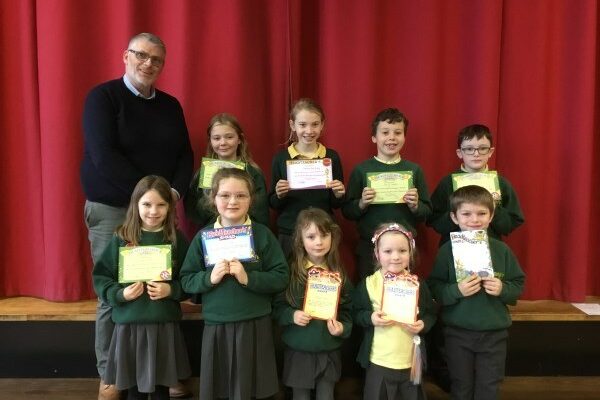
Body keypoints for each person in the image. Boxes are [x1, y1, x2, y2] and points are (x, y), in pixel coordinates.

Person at [80, 32, 193, 399]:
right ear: (125, 56)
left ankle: (164, 372)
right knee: (114, 293)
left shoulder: (170, 106)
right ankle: (110, 375)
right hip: (113, 211)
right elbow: (103, 155)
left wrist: (171, 196)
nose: (148, 63)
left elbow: (184, 155)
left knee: (159, 286)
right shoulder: (103, 98)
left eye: (156, 59)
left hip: (159, 211)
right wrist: (146, 197)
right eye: (141, 55)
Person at [180, 168, 289, 400]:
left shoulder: (262, 234)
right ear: (213, 198)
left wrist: (249, 278)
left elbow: (281, 276)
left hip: (255, 322)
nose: (233, 201)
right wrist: (209, 278)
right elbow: (187, 280)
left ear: (251, 199)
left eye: (241, 195)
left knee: (254, 388)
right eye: (225, 195)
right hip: (217, 324)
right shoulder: (203, 237)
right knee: (221, 388)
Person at [92, 175, 191, 400]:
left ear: (170, 207)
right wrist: (120, 294)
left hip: (163, 325)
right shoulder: (122, 238)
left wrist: (172, 291)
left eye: (161, 205)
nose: (153, 211)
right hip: (129, 327)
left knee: (161, 389)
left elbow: (189, 278)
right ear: (135, 205)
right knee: (134, 390)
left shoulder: (175, 239)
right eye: (147, 204)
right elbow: (102, 277)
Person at [427, 185, 525, 400]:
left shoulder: (502, 250)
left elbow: (518, 284)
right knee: (461, 385)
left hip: (494, 333)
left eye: (482, 213)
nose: (474, 220)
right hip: (457, 332)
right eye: (466, 214)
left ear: (491, 216)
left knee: (489, 386)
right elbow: (434, 287)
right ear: (454, 217)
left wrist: (503, 289)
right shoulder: (446, 251)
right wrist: (456, 290)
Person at [272, 208, 353, 400]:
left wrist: (343, 327)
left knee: (326, 395)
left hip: (329, 348)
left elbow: (349, 308)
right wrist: (291, 315)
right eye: (311, 236)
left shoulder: (338, 273)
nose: (318, 242)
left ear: (332, 237)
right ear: (300, 240)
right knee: (300, 396)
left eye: (324, 235)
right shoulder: (291, 271)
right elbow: (277, 306)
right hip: (299, 349)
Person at [342, 108, 432, 280]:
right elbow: (347, 212)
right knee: (369, 292)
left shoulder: (414, 170)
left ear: (404, 137)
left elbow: (427, 211)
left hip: (403, 249)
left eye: (398, 133)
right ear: (374, 137)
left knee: (402, 292)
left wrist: (415, 206)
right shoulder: (361, 170)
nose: (392, 137)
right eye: (385, 132)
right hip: (370, 247)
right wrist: (361, 203)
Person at [353, 223, 436, 400]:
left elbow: (431, 313)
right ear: (377, 253)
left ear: (410, 252)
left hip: (410, 361)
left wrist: (423, 324)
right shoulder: (368, 284)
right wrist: (370, 317)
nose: (396, 257)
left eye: (402, 251)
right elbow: (356, 313)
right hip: (379, 360)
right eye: (388, 251)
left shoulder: (417, 284)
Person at [269, 98, 345, 257]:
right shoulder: (281, 158)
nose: (309, 130)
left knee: (322, 272)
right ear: (292, 125)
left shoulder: (331, 157)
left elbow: (336, 204)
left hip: (322, 232)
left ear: (322, 125)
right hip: (290, 231)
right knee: (290, 272)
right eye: (303, 125)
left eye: (315, 124)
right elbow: (273, 203)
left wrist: (339, 194)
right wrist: (279, 194)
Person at [427, 124, 525, 245]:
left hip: (491, 247)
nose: (476, 154)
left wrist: (493, 207)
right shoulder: (447, 183)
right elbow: (433, 220)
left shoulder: (501, 183)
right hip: (454, 248)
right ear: (460, 153)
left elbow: (511, 223)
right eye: (469, 149)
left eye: (482, 148)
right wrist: (459, 214)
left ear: (490, 152)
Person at [184, 113, 269, 229]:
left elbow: (261, 212)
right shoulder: (202, 173)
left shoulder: (252, 173)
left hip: (245, 233)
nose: (223, 143)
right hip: (212, 233)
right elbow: (191, 207)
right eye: (216, 138)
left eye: (229, 137)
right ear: (210, 141)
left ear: (239, 139)